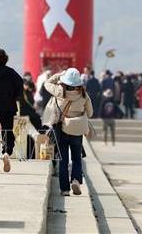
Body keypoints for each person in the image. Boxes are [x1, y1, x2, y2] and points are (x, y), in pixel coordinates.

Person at [45, 68, 93, 196]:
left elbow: (47, 83)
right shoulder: (83, 94)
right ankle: (76, 180)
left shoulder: (60, 91)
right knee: (77, 158)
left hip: (62, 130)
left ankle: (65, 189)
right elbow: (90, 113)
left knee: (63, 160)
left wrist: (60, 74)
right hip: (77, 131)